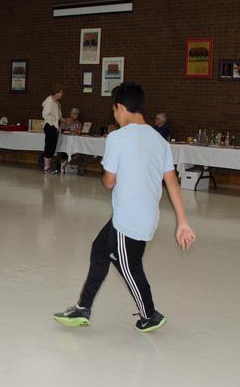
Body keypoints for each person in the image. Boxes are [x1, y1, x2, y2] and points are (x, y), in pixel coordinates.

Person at [53, 83, 195, 332]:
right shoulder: (159, 140)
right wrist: (183, 222)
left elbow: (109, 182)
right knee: (100, 250)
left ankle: (150, 315)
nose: (115, 116)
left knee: (129, 267)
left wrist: (108, 175)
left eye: (114, 111)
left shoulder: (117, 138)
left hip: (128, 220)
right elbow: (172, 182)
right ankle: (83, 308)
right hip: (144, 216)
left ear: (120, 107)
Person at [41, 84, 63, 174]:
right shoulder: (49, 101)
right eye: (61, 92)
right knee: (49, 146)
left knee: (53, 147)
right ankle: (46, 167)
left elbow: (58, 115)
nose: (62, 94)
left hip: (55, 126)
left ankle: (48, 167)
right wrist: (54, 120)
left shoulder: (56, 102)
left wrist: (61, 120)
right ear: (56, 93)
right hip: (50, 126)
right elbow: (45, 114)